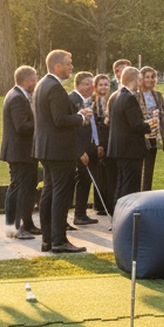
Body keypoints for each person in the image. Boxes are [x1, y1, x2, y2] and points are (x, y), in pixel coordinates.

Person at [32, 49, 89, 254]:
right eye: (68, 63)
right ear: (57, 66)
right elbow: (59, 120)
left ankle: (48, 240)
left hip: (46, 148)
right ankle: (59, 240)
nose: (71, 67)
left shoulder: (42, 84)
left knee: (49, 192)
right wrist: (81, 118)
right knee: (60, 194)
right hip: (58, 150)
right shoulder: (54, 87)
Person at [0, 64, 38, 240]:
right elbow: (21, 126)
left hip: (26, 151)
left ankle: (27, 224)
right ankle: (14, 227)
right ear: (28, 80)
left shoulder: (22, 96)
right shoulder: (16, 98)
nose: (36, 82)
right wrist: (41, 122)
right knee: (18, 188)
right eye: (35, 78)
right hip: (19, 151)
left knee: (29, 188)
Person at [107, 65, 152, 204]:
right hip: (130, 149)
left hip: (118, 148)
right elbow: (136, 125)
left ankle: (117, 214)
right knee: (130, 185)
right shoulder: (129, 98)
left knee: (121, 183)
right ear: (137, 79)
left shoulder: (115, 96)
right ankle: (127, 216)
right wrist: (150, 125)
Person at [68, 71, 101, 225]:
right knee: (80, 180)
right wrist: (80, 151)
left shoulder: (88, 101)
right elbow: (72, 130)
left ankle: (81, 213)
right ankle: (77, 214)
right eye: (87, 84)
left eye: (91, 84)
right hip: (80, 149)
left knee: (86, 180)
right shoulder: (72, 100)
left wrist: (96, 143)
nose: (90, 87)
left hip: (91, 144)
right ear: (78, 85)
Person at [137, 65, 164, 191]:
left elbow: (163, 114)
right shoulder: (136, 95)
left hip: (154, 134)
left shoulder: (158, 95)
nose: (150, 80)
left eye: (152, 77)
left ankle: (146, 192)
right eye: (147, 77)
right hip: (140, 135)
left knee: (149, 168)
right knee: (138, 168)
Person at [92, 73, 114, 215]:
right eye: (101, 84)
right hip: (99, 139)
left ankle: (110, 202)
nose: (104, 87)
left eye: (106, 84)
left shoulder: (111, 101)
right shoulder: (93, 103)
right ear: (96, 87)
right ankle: (99, 205)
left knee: (110, 173)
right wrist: (98, 143)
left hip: (110, 139)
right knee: (99, 173)